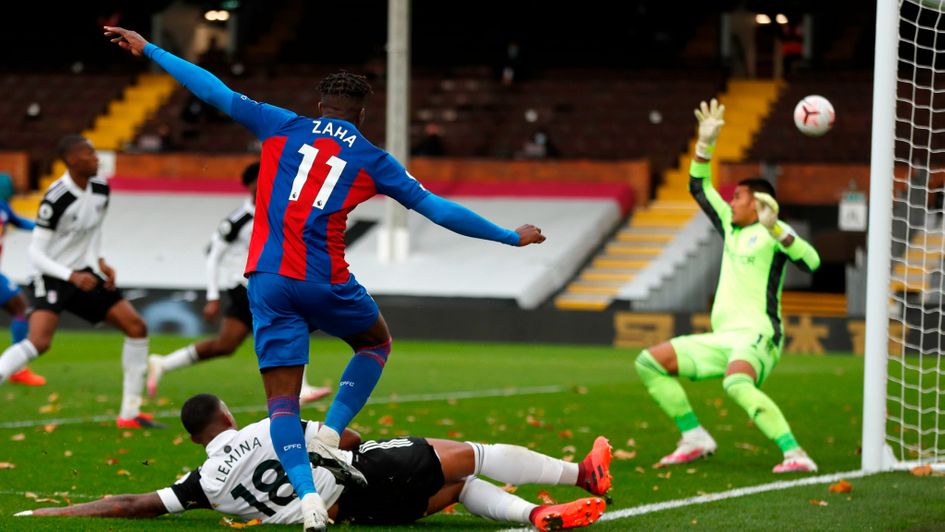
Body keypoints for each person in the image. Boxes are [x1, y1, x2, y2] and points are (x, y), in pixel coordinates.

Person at [105, 26, 546, 530]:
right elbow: (437, 209)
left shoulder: (281, 125)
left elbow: (213, 89)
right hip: (326, 280)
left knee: (282, 405)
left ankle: (311, 501)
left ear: (320, 104)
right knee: (375, 344)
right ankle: (332, 437)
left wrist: (150, 49)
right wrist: (510, 237)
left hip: (269, 280)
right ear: (361, 114)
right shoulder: (374, 159)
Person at [16, 393, 610, 532]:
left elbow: (135, 504)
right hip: (360, 475)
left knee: (457, 490)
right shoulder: (265, 427)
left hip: (358, 515)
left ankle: (536, 517)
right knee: (469, 454)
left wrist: (60, 512)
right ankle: (582, 475)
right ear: (224, 418)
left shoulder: (200, 482)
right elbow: (346, 437)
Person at [633, 100, 821, 473]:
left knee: (737, 383)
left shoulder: (774, 235)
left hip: (758, 335)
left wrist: (777, 229)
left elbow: (811, 262)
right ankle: (694, 437)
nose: (730, 200)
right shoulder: (732, 229)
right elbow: (698, 186)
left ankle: (795, 454)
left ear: (759, 203)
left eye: (738, 196)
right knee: (650, 362)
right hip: (722, 337)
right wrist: (704, 146)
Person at [0, 135, 161, 429]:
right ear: (72, 161)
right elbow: (35, 252)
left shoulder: (100, 188)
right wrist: (70, 276)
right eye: (88, 154)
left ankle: (130, 413)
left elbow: (93, 231)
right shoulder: (56, 197)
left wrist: (99, 261)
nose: (96, 158)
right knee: (39, 342)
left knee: (136, 327)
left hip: (85, 273)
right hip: (51, 275)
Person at [147, 162, 331, 404]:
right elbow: (213, 256)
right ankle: (301, 389)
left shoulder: (277, 214)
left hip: (263, 286)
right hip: (243, 287)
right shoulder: (237, 221)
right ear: (251, 185)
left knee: (226, 344)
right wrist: (212, 296)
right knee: (292, 323)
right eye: (262, 180)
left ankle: (162, 363)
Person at [0, 173, 44, 386]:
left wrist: (44, 227)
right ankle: (17, 369)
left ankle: (17, 369)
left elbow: (19, 222)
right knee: (21, 309)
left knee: (20, 308)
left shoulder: (4, 209)